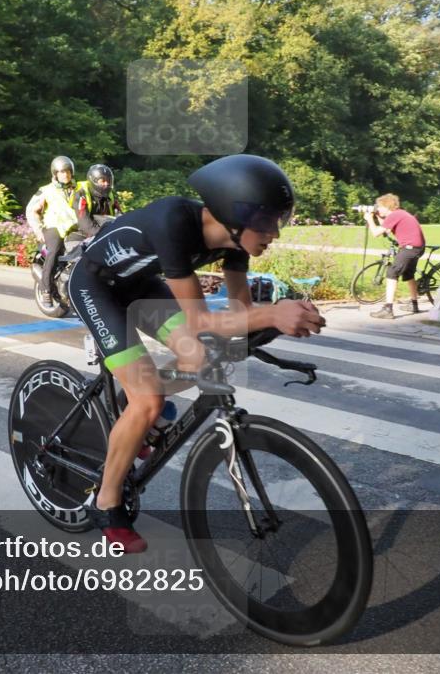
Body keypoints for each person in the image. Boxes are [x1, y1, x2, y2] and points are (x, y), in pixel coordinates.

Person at [68, 154, 323, 553]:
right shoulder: (175, 223)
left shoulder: (236, 243)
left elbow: (240, 313)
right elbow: (201, 319)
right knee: (149, 399)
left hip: (140, 285)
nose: (276, 231)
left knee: (199, 361)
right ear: (234, 215)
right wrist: (272, 313)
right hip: (96, 287)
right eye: (268, 220)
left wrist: (274, 322)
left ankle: (134, 412)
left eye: (280, 220)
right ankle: (107, 501)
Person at [26, 156, 79, 309]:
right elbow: (31, 211)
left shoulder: (78, 189)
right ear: (55, 173)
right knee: (54, 250)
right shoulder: (46, 190)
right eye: (62, 172)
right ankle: (46, 290)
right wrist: (38, 229)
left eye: (68, 171)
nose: (66, 175)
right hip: (53, 227)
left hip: (74, 228)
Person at [363, 194, 426, 319]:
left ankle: (388, 309)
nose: (378, 209)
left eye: (380, 207)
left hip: (409, 248)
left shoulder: (395, 215)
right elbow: (386, 230)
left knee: (392, 272)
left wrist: (369, 219)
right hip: (416, 247)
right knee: (408, 274)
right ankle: (414, 305)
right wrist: (376, 216)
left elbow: (376, 233)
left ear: (387, 206)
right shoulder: (399, 214)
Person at [71, 164, 122, 239]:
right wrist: (102, 235)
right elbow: (84, 222)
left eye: (108, 181)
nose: (106, 184)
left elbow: (120, 215)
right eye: (102, 181)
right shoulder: (81, 195)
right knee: (56, 249)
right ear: (93, 180)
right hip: (79, 233)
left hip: (102, 230)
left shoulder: (110, 195)